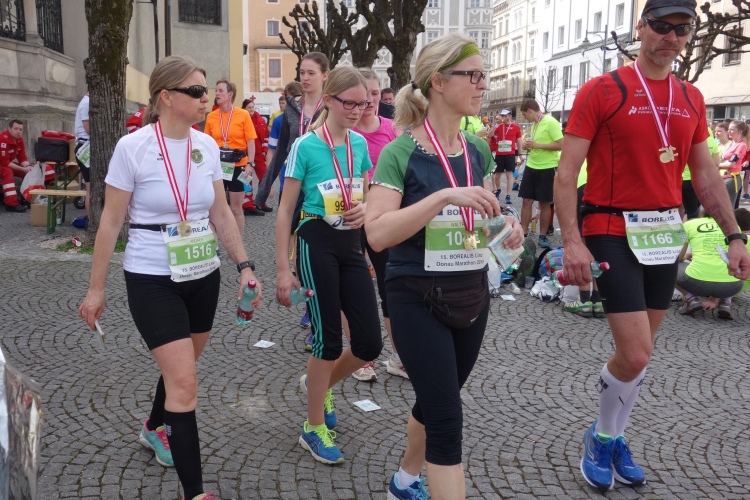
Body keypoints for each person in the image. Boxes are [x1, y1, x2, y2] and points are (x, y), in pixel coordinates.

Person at [555, 0, 750, 491]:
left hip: (664, 234)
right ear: (640, 28)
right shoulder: (602, 89)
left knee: (642, 352)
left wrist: (733, 235)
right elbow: (565, 172)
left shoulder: (691, 97)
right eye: (662, 26)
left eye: (682, 29)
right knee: (637, 353)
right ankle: (601, 436)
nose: (671, 37)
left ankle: (612, 436)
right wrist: (572, 241)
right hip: (610, 228)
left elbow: (705, 175)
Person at [78, 55, 262, 500]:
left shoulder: (206, 145)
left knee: (182, 369)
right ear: (165, 97)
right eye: (195, 91)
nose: (205, 98)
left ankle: (154, 426)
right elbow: (110, 222)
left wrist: (244, 266)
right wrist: (96, 288)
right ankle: (193, 492)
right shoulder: (133, 147)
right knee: (185, 382)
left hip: (202, 273)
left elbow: (220, 212)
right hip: (151, 276)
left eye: (206, 90)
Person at [365, 33, 524, 499]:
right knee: (447, 419)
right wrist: (441, 197)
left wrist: (507, 225)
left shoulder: (477, 149)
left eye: (483, 76)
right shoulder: (400, 152)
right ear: (437, 81)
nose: (483, 85)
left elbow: (481, 216)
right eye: (473, 75)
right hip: (416, 296)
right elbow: (377, 233)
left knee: (438, 399)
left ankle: (404, 481)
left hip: (471, 294)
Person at [274, 65, 382, 465]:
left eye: (363, 103)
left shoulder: (359, 144)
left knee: (369, 343)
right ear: (328, 100)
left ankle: (318, 384)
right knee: (327, 339)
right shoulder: (305, 146)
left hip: (351, 242)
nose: (356, 110)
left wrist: (366, 210)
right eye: (348, 103)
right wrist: (282, 269)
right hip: (315, 238)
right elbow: (284, 210)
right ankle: (313, 425)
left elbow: (368, 196)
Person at [350, 67, 405, 382]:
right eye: (364, 94)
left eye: (374, 93)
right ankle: (361, 355)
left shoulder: (392, 129)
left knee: (389, 285)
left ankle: (399, 356)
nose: (370, 100)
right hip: (350, 217)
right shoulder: (345, 132)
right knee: (354, 287)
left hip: (383, 218)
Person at [256, 52, 328, 210]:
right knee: (287, 224)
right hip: (292, 180)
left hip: (320, 183)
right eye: (302, 73)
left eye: (311, 73)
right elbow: (281, 149)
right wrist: (264, 189)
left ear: (324, 75)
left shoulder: (331, 107)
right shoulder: (291, 107)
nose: (305, 78)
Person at [676, 208, 750, 319]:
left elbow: (678, 257)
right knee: (729, 266)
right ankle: (726, 302)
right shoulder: (734, 228)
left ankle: (691, 299)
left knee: (670, 265)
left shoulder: (689, 224)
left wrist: (688, 256)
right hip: (734, 286)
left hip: (697, 283)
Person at [204, 79, 257, 231]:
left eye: (220, 90)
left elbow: (251, 141)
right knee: (215, 208)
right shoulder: (211, 116)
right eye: (216, 90)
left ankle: (238, 241)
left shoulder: (243, 114)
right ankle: (215, 242)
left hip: (239, 166)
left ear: (230, 94)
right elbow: (207, 143)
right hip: (218, 167)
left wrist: (250, 163)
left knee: (236, 208)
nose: (216, 93)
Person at [519, 98, 563, 249]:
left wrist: (537, 145)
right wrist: (529, 147)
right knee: (526, 201)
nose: (525, 118)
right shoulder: (535, 124)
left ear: (530, 111)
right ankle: (523, 234)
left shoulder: (551, 122)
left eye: (525, 115)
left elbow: (561, 144)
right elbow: (536, 144)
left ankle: (542, 236)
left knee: (545, 203)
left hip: (547, 167)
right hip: (531, 166)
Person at [241, 97, 272, 215]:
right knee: (246, 179)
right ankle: (247, 205)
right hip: (245, 154)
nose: (252, 109)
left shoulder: (260, 120)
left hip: (258, 154)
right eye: (249, 107)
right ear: (244, 108)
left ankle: (260, 202)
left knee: (264, 178)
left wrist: (264, 151)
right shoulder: (241, 119)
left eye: (253, 107)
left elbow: (265, 136)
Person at [681, 126, 719, 220]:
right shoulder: (712, 141)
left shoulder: (686, 139)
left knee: (689, 211)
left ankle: (689, 228)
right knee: (698, 209)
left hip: (686, 179)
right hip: (704, 180)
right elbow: (716, 164)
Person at [490, 109, 522, 205]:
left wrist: (520, 154)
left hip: (510, 154)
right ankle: (498, 189)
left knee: (509, 175)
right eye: (502, 115)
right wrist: (495, 125)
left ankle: (508, 195)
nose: (503, 117)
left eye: (505, 115)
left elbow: (519, 141)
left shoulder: (516, 127)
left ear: (510, 116)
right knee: (497, 176)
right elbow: (490, 135)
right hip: (499, 154)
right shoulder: (499, 126)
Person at [0, 119, 31, 212]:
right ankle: (11, 204)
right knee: (8, 172)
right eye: (16, 129)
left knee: (28, 172)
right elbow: (4, 162)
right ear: (9, 129)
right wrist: (22, 169)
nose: (18, 131)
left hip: (4, 164)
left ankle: (26, 198)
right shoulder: (3, 139)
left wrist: (27, 167)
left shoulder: (19, 140)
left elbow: (22, 157)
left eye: (20, 129)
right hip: (3, 164)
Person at [719, 120, 748, 208]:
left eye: (731, 129)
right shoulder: (731, 143)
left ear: (740, 131)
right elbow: (722, 159)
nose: (728, 131)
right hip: (723, 176)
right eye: (728, 129)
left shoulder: (742, 145)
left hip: (731, 179)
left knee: (728, 207)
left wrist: (715, 165)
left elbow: (730, 164)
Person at [75, 92, 91, 219]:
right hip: (85, 146)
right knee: (91, 189)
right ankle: (91, 220)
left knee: (92, 188)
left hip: (86, 146)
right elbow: (88, 129)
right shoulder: (86, 103)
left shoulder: (86, 102)